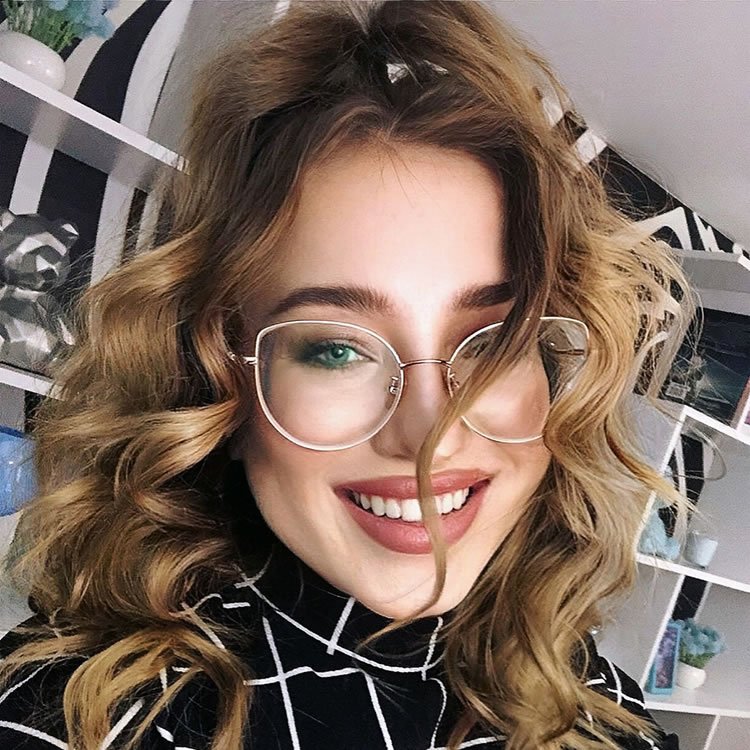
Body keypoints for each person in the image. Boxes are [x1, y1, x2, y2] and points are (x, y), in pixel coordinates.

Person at [0, 1, 687, 748]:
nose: (429, 436)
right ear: (220, 382)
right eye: (335, 349)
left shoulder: (599, 706)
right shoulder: (80, 714)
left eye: (493, 342)